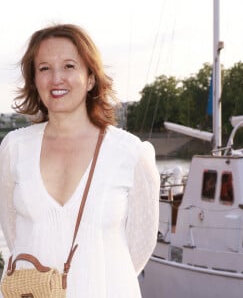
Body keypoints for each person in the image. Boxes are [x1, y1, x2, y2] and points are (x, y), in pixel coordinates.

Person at [0, 24, 160, 297]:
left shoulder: (130, 154)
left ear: (90, 78)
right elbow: (13, 234)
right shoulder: (14, 148)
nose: (56, 78)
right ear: (34, 80)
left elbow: (139, 247)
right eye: (44, 68)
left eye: (69, 66)